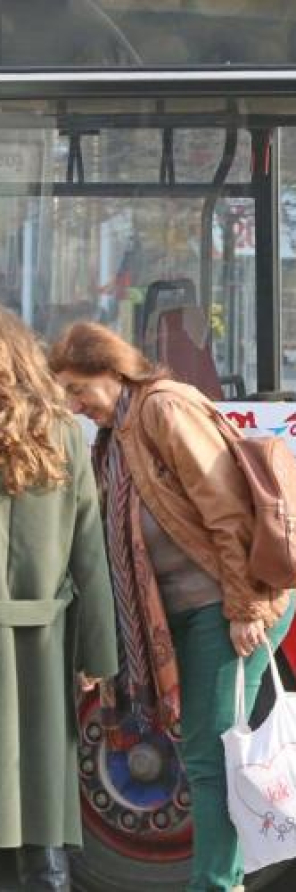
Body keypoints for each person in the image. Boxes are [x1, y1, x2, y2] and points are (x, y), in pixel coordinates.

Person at [47, 323, 295, 892]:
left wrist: (244, 607)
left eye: (80, 390)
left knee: (209, 755)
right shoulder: (120, 431)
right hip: (194, 607)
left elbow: (228, 512)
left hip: (228, 603)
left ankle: (216, 883)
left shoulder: (163, 409)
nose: (76, 406)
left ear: (113, 373)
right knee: (204, 751)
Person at [0, 310, 117, 892]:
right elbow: (89, 555)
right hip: (40, 649)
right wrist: (99, 656)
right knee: (40, 798)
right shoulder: (66, 435)